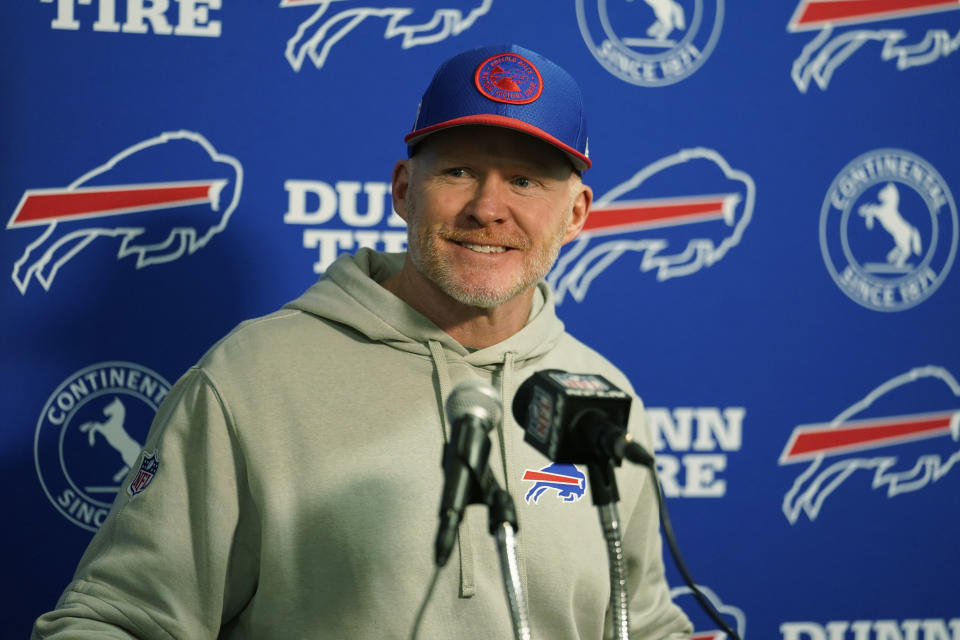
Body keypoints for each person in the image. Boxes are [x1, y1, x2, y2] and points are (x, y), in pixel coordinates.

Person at [33, 44, 694, 639]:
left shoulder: (604, 398)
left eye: (525, 181)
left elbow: (640, 620)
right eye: (459, 172)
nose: (488, 208)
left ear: (576, 213)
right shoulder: (250, 377)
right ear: (406, 191)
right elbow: (116, 619)